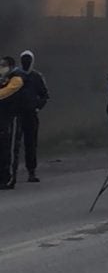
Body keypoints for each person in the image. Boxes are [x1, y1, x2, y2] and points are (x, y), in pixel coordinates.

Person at [12, 50, 49, 183]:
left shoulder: (36, 77)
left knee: (31, 143)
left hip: (31, 114)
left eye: (28, 59)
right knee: (13, 145)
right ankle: (12, 172)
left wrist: (38, 106)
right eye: (24, 59)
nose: (26, 62)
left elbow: (45, 95)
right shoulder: (14, 75)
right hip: (16, 115)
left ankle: (31, 171)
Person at [0, 57, 24, 190]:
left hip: (13, 117)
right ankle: (1, 177)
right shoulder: (1, 79)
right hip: (2, 117)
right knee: (1, 149)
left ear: (11, 66)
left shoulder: (17, 78)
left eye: (3, 65)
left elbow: (6, 92)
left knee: (10, 148)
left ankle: (10, 178)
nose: (1, 67)